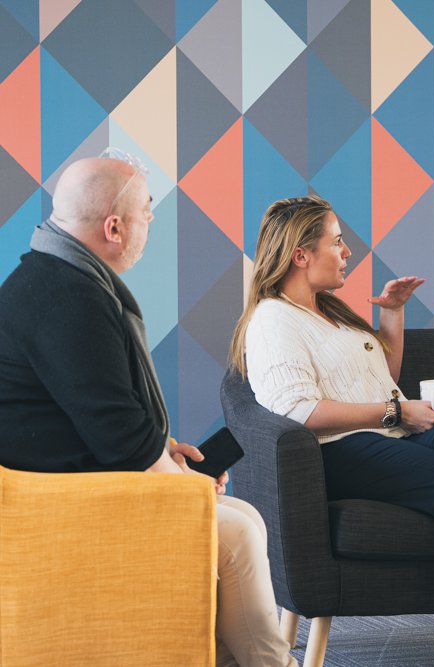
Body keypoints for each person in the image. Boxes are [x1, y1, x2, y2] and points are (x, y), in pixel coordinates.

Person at [0, 151, 297, 667]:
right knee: (234, 536)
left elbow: (92, 415)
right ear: (114, 227)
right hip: (57, 504)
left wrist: (168, 456)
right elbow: (118, 436)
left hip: (76, 480)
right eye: (146, 210)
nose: (151, 219)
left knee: (244, 515)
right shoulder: (68, 298)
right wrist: (179, 483)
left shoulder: (56, 277)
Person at [230, 195, 434, 667]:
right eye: (336, 242)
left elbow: (383, 379)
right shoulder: (273, 319)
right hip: (340, 450)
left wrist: (393, 314)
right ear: (301, 254)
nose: (347, 252)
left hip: (393, 434)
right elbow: (297, 410)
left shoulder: (327, 310)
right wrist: (395, 413)